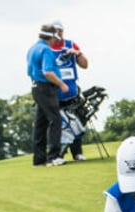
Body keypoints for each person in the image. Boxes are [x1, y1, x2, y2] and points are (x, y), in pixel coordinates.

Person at [27, 25, 68, 167]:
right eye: (55, 37)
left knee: (40, 124)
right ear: (51, 37)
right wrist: (61, 84)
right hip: (46, 88)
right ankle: (53, 157)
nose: (56, 40)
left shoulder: (32, 48)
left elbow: (31, 71)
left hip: (36, 88)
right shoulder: (46, 50)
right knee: (55, 120)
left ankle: (39, 159)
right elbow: (48, 72)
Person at [50, 21, 88, 162]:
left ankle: (77, 153)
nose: (58, 34)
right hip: (55, 94)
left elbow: (85, 65)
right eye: (55, 31)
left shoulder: (70, 44)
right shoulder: (46, 47)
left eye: (60, 31)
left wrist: (77, 53)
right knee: (59, 126)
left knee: (75, 121)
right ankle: (57, 154)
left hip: (71, 92)